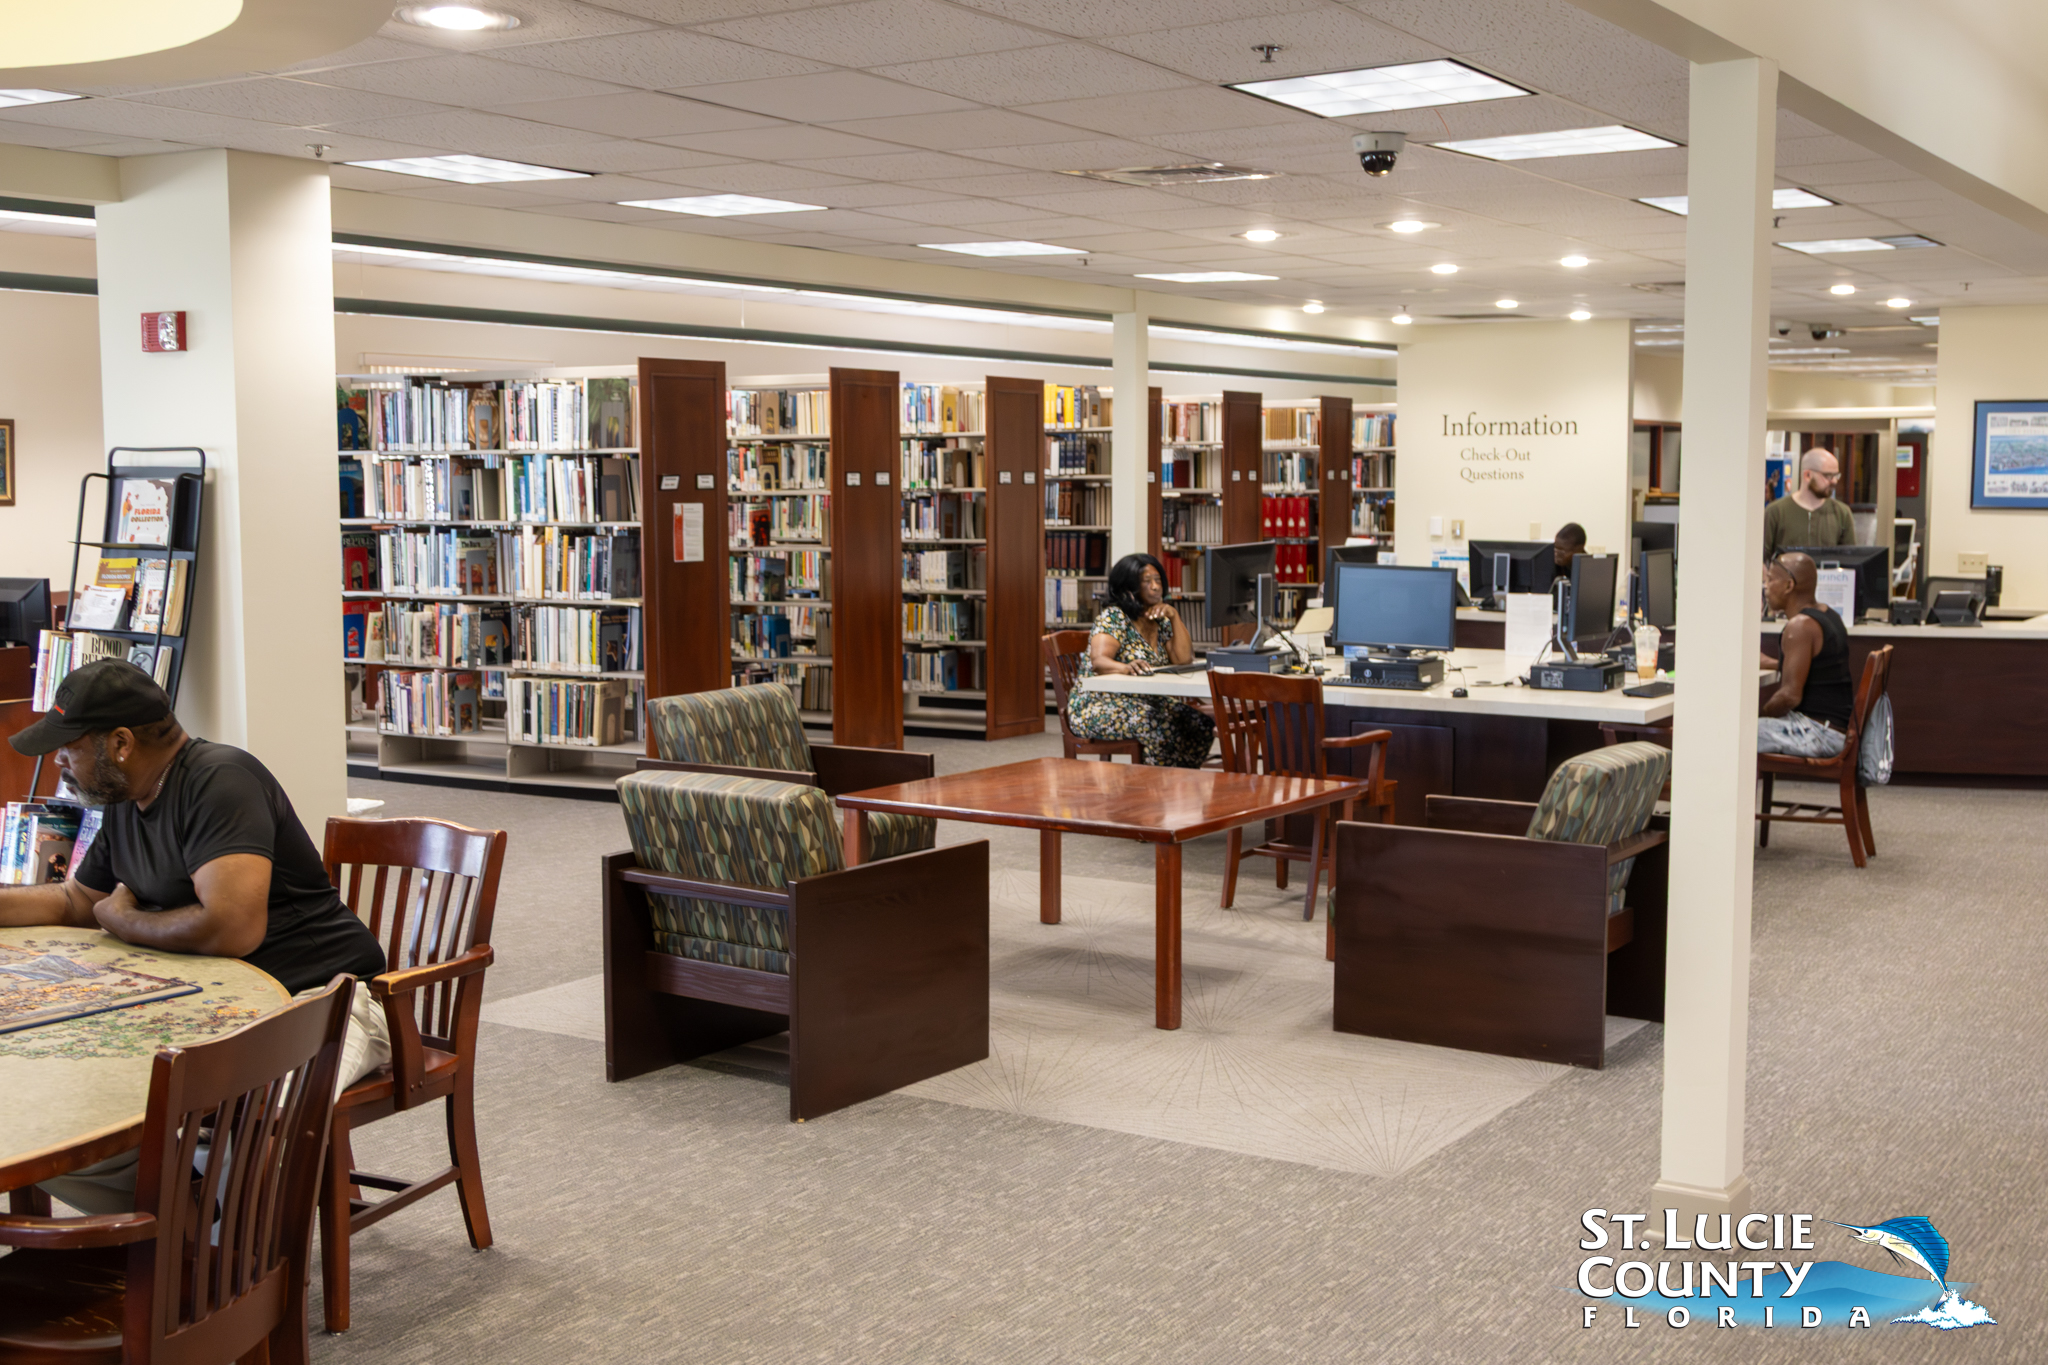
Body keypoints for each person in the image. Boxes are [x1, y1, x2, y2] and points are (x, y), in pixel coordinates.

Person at [2, 659, 391, 1212]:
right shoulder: (124, 801)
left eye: (69, 745)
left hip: (329, 999)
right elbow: (77, 901)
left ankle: (224, 1253)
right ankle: (198, 1223)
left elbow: (231, 927)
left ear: (119, 743)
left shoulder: (221, 781)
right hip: (215, 1009)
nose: (58, 760)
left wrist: (124, 920)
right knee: (61, 1125)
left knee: (259, 1116)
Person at [1066, 553, 1215, 768]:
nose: (1155, 587)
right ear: (1129, 588)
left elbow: (1183, 659)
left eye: (1158, 580)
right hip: (1097, 705)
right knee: (1157, 726)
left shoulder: (1160, 620)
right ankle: (1156, 789)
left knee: (1200, 724)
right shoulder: (1114, 617)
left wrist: (1174, 616)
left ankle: (1178, 782)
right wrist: (1125, 667)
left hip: (1145, 702)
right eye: (1147, 582)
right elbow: (1099, 661)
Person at [1757, 553, 1855, 757]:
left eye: (1770, 580)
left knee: (1733, 734)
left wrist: (1760, 714)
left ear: (1789, 586)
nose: (1765, 586)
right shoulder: (1828, 614)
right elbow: (1816, 668)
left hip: (1817, 732)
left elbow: (1789, 696)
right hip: (1835, 730)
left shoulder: (1799, 627)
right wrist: (1774, 664)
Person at [1763, 448, 1856, 561]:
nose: (1834, 481)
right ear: (1807, 475)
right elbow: (1762, 561)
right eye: (1828, 476)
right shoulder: (1775, 512)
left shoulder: (1842, 513)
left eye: (1836, 476)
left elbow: (1851, 562)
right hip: (1787, 578)